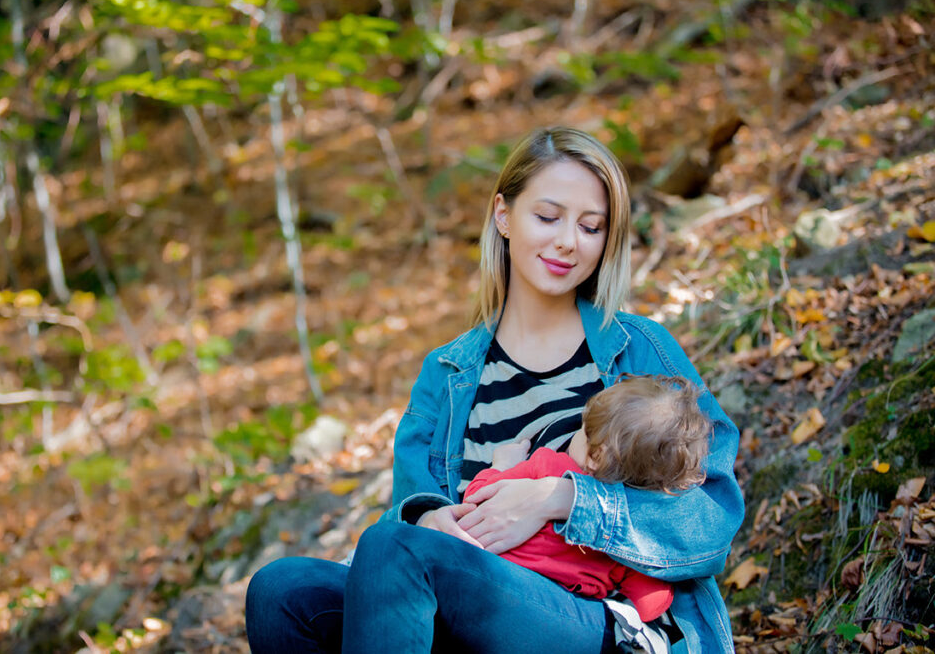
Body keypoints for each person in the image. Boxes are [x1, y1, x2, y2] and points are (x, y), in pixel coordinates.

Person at [245, 127, 744, 654]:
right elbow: (407, 519)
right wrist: (431, 517)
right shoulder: (447, 373)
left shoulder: (639, 352)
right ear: (503, 216)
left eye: (590, 226)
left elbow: (711, 519)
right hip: (470, 601)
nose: (568, 241)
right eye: (547, 217)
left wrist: (563, 499)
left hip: (591, 617)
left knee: (398, 550)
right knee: (282, 590)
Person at [463, 374, 713, 625]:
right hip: (566, 617)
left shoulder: (548, 465)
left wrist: (501, 465)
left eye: (581, 430)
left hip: (495, 584)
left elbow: (476, 498)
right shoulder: (625, 539)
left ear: (595, 456)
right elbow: (650, 602)